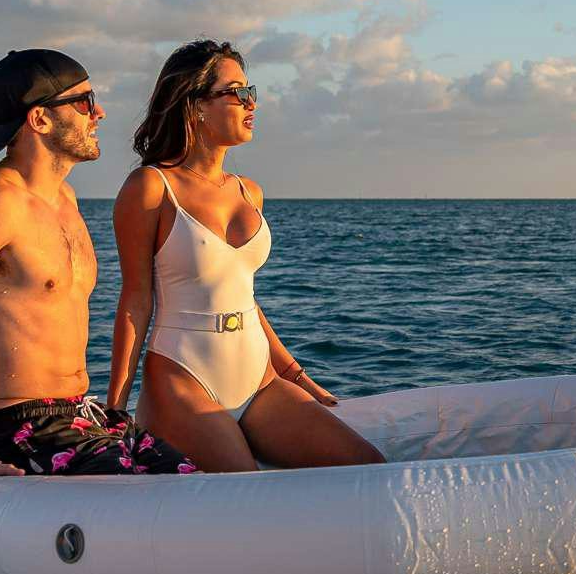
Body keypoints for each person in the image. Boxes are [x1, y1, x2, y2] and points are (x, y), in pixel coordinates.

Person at [0, 49, 197, 545]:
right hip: (18, 429)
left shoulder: (65, 201)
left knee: (207, 497)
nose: (99, 113)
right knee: (175, 523)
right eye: (85, 101)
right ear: (40, 119)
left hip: (85, 417)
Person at [107, 39, 382, 472]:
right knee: (247, 491)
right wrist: (115, 409)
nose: (251, 103)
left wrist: (298, 376)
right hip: (183, 376)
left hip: (258, 377)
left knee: (367, 465)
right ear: (195, 105)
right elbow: (135, 300)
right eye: (236, 92)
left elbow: (243, 297)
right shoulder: (151, 188)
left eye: (250, 91)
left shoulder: (249, 191)